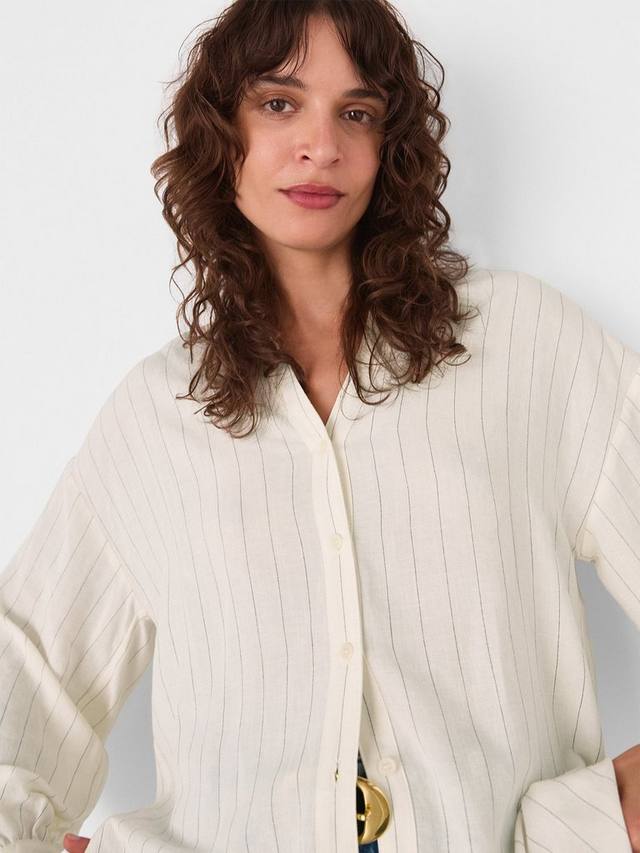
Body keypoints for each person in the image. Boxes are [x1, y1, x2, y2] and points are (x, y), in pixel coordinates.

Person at [1, 1, 639, 852]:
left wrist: (595, 827)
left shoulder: (527, 344)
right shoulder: (157, 417)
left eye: (357, 112)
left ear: (389, 146)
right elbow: (25, 671)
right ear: (221, 135)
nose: (321, 145)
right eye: (278, 104)